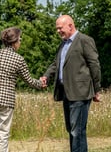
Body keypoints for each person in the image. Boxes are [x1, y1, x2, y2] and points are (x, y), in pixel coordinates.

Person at [0, 27, 46, 152]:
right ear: (15, 41)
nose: (20, 42)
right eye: (20, 40)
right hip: (6, 101)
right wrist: (41, 84)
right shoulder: (18, 59)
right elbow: (28, 80)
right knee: (3, 134)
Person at [41, 15, 101, 152]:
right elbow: (56, 64)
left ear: (70, 25)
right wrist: (46, 76)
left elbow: (94, 65)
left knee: (77, 131)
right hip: (66, 93)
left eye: (60, 28)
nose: (58, 31)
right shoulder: (63, 44)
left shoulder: (85, 40)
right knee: (72, 129)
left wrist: (97, 90)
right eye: (57, 29)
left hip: (80, 92)